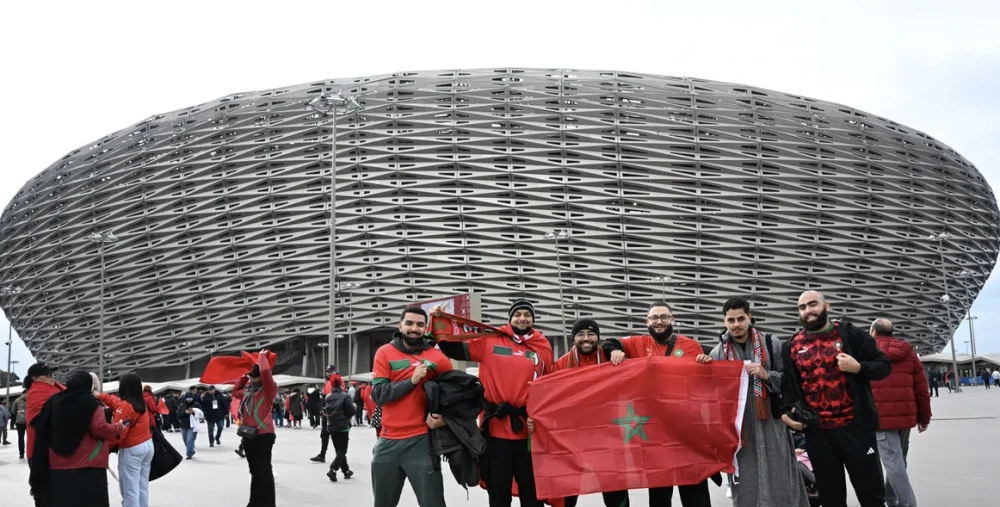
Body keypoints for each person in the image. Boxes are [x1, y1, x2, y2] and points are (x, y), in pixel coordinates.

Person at [435, 299, 554, 507]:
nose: (522, 318)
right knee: (498, 491)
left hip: (529, 433)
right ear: (510, 318)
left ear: (533, 319)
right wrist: (439, 323)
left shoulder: (542, 345)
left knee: (532, 493)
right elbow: (455, 350)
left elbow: (550, 384)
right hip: (496, 431)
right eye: (518, 314)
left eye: (527, 314)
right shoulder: (492, 339)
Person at [779, 291, 891, 507]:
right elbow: (789, 385)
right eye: (802, 307)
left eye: (813, 304)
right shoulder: (793, 344)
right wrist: (785, 412)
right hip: (818, 433)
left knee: (871, 493)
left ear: (826, 306)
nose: (808, 310)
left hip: (855, 428)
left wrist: (858, 367)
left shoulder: (850, 335)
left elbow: (883, 366)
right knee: (830, 498)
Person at [697, 297, 810, 507]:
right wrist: (705, 368)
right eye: (731, 320)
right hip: (741, 431)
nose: (736, 325)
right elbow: (710, 393)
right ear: (724, 322)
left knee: (781, 478)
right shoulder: (718, 353)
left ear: (749, 317)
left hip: (772, 424)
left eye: (741, 318)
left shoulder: (770, 343)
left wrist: (766, 374)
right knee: (746, 483)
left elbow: (789, 381)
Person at [602, 302, 713, 507]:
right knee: (660, 498)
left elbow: (706, 385)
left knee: (695, 496)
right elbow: (608, 342)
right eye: (654, 318)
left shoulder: (690, 346)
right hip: (656, 438)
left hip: (686, 435)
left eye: (664, 317)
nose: (659, 322)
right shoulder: (637, 343)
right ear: (647, 322)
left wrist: (705, 364)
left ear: (672, 320)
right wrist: (615, 351)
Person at [530, 318, 629, 507]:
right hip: (572, 441)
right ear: (573, 338)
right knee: (567, 492)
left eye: (591, 334)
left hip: (608, 439)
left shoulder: (612, 360)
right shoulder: (560, 366)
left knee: (616, 494)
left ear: (598, 338)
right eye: (580, 334)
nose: (586, 339)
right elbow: (547, 402)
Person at [370, 306, 453, 507]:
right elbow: (378, 395)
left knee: (433, 503)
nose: (414, 328)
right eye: (409, 323)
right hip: (387, 443)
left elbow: (454, 394)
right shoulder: (384, 352)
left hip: (422, 442)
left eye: (419, 324)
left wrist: (445, 418)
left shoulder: (437, 358)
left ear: (426, 329)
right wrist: (412, 381)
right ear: (400, 326)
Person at [28, 370, 126, 507]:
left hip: (56, 465)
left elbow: (39, 424)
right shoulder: (91, 402)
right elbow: (99, 428)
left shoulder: (53, 401)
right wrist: (118, 427)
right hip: (87, 465)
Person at [869, 318, 931, 507]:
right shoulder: (908, 352)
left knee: (893, 463)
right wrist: (924, 417)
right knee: (898, 461)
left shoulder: (867, 352)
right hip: (905, 418)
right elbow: (921, 387)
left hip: (880, 418)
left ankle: (907, 504)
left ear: (874, 332)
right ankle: (890, 498)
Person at [99, 372, 156, 507]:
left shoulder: (125, 406)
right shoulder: (139, 402)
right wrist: (100, 395)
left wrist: (105, 448)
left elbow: (118, 433)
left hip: (132, 449)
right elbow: (117, 403)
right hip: (147, 445)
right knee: (142, 486)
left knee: (129, 490)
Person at [233, 351, 279, 507]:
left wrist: (262, 358)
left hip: (264, 435)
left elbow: (266, 373)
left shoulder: (268, 391)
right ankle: (254, 502)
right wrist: (244, 376)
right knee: (254, 471)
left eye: (254, 376)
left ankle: (268, 504)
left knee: (264, 472)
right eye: (251, 377)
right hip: (248, 435)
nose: (252, 379)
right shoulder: (248, 391)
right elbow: (234, 391)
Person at [25, 361, 64, 465]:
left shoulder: (53, 388)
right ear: (35, 378)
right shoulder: (36, 393)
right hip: (41, 452)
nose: (51, 377)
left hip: (53, 449)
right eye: (47, 374)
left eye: (51, 374)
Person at [323, 377, 356, 482]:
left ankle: (346, 471)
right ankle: (333, 469)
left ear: (331, 385)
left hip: (332, 426)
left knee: (338, 450)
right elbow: (351, 411)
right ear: (341, 384)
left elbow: (326, 411)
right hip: (343, 426)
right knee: (343, 450)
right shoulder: (346, 396)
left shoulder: (328, 397)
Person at [177, 393, 203, 459]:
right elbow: (179, 415)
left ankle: (189, 453)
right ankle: (191, 450)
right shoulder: (183, 405)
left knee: (190, 440)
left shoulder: (197, 405)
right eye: (188, 399)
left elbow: (201, 414)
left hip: (193, 425)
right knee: (185, 439)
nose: (189, 400)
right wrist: (185, 412)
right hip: (184, 425)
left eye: (190, 399)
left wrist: (193, 413)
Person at [12, 392, 28, 458]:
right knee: (31, 437)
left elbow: (13, 411)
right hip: (30, 421)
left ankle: (21, 453)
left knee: (21, 437)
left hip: (20, 421)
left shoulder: (17, 400)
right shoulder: (32, 398)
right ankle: (32, 453)